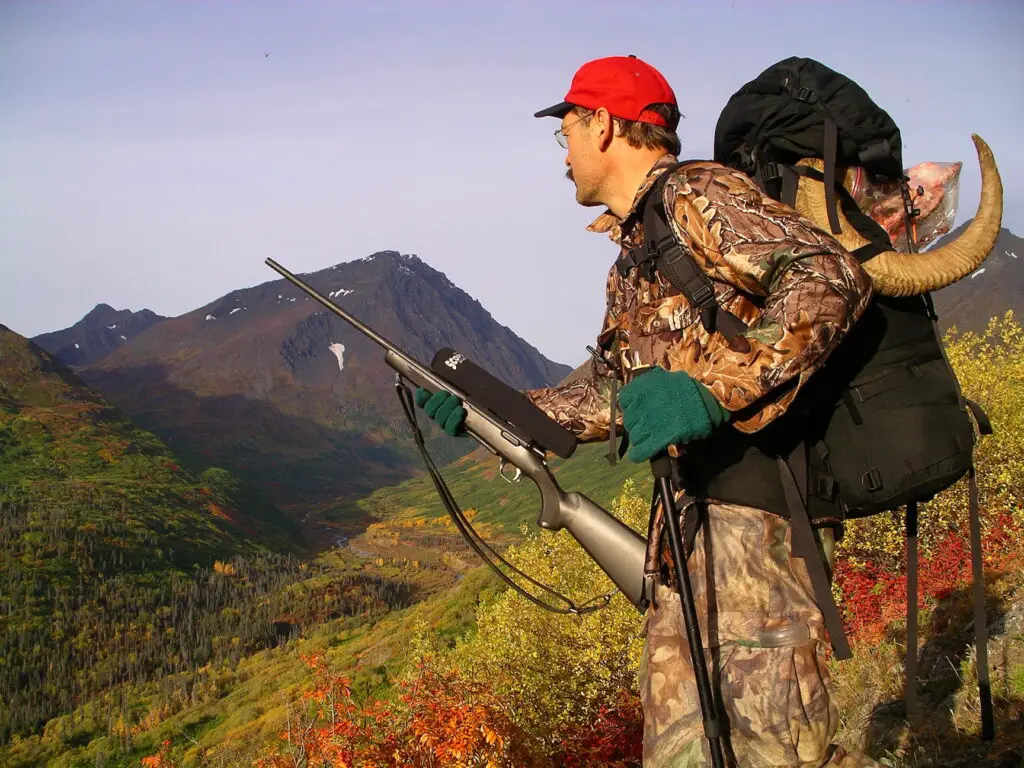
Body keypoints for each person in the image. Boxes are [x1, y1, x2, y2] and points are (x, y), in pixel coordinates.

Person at [418, 54, 884, 767]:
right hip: (686, 535)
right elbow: (616, 392)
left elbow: (830, 274)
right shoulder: (634, 249)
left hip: (754, 530)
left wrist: (710, 388)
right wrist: (496, 408)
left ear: (603, 124)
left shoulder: (699, 193)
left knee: (775, 753)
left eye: (566, 130)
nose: (563, 152)